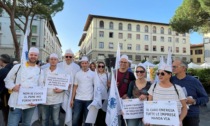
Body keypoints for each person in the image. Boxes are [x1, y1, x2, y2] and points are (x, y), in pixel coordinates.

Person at [4, 47, 44, 126]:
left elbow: (41, 87)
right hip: (16, 101)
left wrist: (36, 101)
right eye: (31, 54)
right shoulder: (18, 67)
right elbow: (7, 80)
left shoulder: (40, 71)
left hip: (30, 102)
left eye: (35, 55)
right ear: (28, 55)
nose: (33, 56)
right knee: (12, 124)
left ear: (38, 57)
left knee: (26, 123)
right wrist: (13, 87)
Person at [171, 59, 209, 126]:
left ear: (183, 68)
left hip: (191, 115)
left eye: (175, 67)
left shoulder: (194, 81)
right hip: (174, 114)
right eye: (172, 66)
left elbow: (205, 98)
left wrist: (194, 101)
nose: (172, 68)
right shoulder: (171, 80)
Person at [39, 53, 65, 126]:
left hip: (56, 99)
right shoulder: (43, 71)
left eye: (55, 59)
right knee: (44, 119)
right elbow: (39, 83)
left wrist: (61, 90)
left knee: (55, 119)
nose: (53, 61)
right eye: (51, 59)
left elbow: (66, 84)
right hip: (45, 99)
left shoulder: (62, 72)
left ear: (57, 61)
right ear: (49, 60)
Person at [57, 48, 80, 126]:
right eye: (67, 56)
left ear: (73, 57)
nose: (68, 58)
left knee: (70, 109)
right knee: (60, 109)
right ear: (64, 57)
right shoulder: (59, 65)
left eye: (70, 57)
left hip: (72, 91)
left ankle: (68, 123)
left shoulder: (77, 67)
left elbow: (78, 79)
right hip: (60, 92)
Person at [70, 56, 95, 126]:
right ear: (81, 64)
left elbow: (95, 87)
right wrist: (72, 99)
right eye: (82, 63)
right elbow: (75, 86)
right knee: (75, 119)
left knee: (88, 120)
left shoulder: (93, 74)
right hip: (78, 99)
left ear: (88, 64)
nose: (84, 65)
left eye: (85, 63)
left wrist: (95, 99)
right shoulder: (77, 74)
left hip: (89, 99)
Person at [113, 54, 135, 126]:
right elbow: (108, 84)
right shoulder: (114, 72)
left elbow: (134, 87)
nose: (123, 63)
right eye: (121, 62)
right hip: (114, 99)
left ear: (128, 64)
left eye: (125, 62)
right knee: (113, 117)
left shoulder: (131, 74)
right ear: (119, 62)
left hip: (125, 100)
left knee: (124, 118)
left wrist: (128, 95)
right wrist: (112, 85)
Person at [95, 61, 110, 126]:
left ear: (104, 67)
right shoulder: (94, 74)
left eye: (102, 66)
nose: (101, 67)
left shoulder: (107, 74)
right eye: (99, 66)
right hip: (96, 96)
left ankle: (103, 124)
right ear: (97, 67)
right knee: (97, 111)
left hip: (104, 96)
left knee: (103, 111)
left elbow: (109, 85)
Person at [0, 54, 13, 126]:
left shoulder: (3, 71)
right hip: (14, 96)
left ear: (2, 61)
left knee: (6, 114)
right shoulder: (13, 68)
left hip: (5, 96)